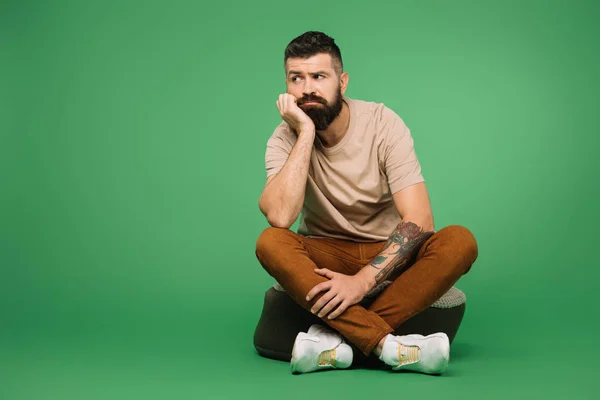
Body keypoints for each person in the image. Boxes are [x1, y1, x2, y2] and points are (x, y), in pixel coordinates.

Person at [255, 31, 478, 375]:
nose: (307, 88)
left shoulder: (382, 123)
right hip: (325, 254)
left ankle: (336, 344)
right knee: (270, 242)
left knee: (459, 241)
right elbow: (280, 216)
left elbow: (420, 219)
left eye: (319, 76)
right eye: (296, 78)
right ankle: (390, 347)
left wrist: (361, 282)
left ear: (342, 81)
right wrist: (306, 133)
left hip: (385, 251)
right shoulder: (284, 137)